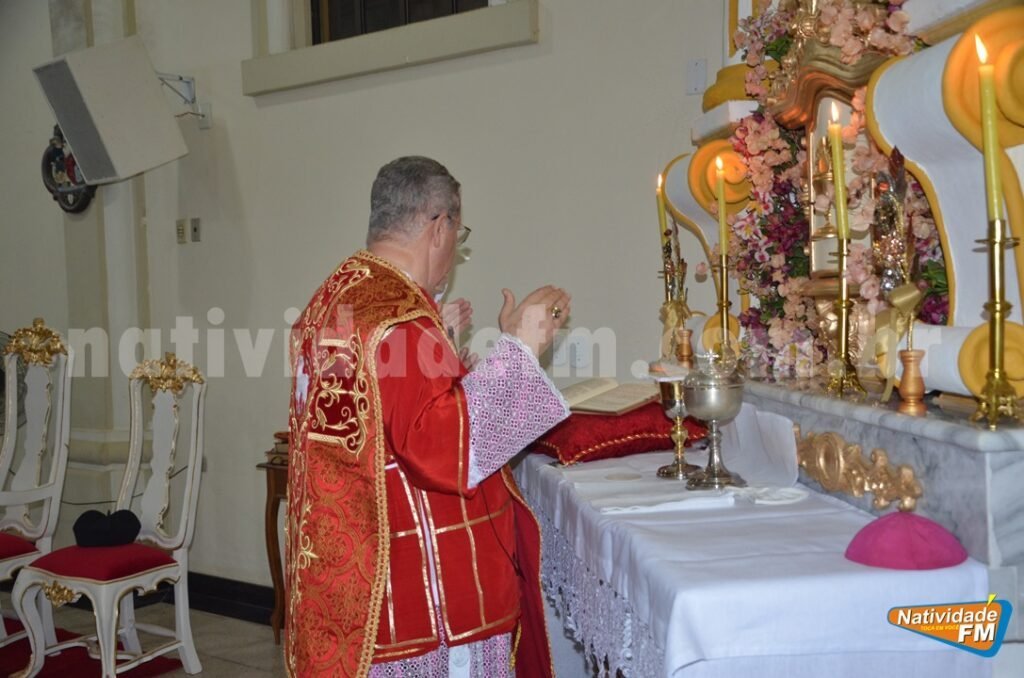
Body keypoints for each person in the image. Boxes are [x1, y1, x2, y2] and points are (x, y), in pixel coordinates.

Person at [285, 156, 572, 677]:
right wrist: (522, 349)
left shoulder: (334, 299)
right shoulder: (398, 317)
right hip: (411, 586)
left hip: (349, 573)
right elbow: (441, 449)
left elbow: (384, 422)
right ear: (440, 227)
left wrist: (457, 366)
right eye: (458, 233)